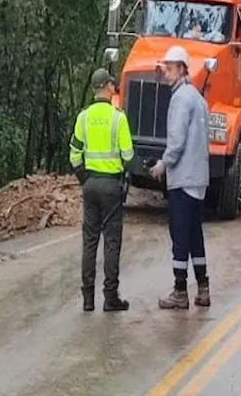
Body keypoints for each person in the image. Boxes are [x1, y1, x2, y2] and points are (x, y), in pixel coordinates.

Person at [150, 46, 211, 310]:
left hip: (183, 178)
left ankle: (179, 291)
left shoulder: (180, 99)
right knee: (195, 233)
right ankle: (203, 288)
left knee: (180, 235)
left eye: (170, 67)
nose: (166, 72)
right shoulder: (198, 98)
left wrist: (163, 164)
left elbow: (176, 140)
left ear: (182, 68)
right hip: (198, 178)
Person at [69, 68, 134, 312]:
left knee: (90, 241)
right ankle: (110, 296)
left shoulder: (83, 117)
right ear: (107, 87)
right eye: (112, 84)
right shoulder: (118, 118)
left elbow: (74, 152)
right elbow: (128, 155)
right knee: (111, 241)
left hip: (91, 184)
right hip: (111, 185)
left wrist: (83, 177)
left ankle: (87, 298)